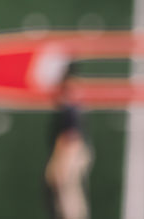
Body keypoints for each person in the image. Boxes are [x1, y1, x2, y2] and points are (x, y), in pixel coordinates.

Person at [44, 63, 93, 219]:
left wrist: (62, 159)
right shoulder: (69, 103)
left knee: (66, 189)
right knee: (67, 190)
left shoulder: (70, 105)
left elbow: (71, 137)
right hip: (72, 149)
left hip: (71, 150)